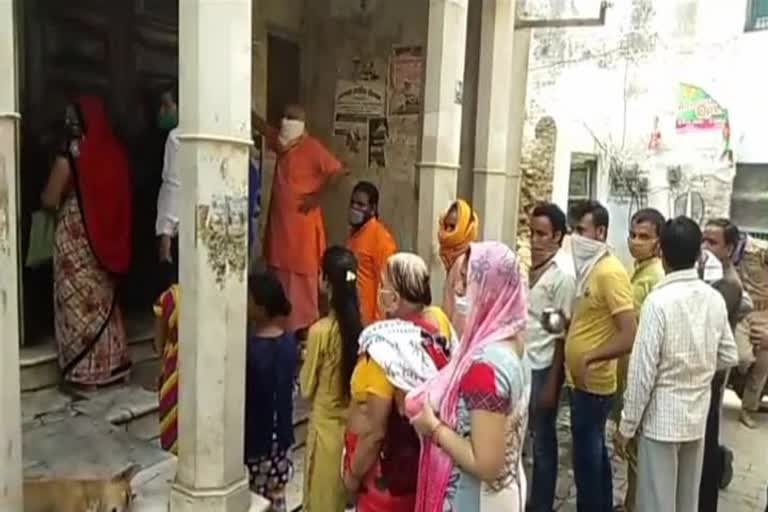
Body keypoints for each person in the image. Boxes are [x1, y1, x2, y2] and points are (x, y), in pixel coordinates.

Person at [615, 216, 738, 512]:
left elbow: (643, 373)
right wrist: (699, 368)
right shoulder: (713, 299)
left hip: (661, 420)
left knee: (656, 503)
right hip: (695, 417)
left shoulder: (659, 302)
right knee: (686, 503)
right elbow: (728, 354)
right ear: (698, 254)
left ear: (661, 252)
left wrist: (626, 427)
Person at [408, 241, 530, 512]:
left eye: (468, 280)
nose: (460, 290)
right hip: (503, 494)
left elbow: (486, 463)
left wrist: (434, 428)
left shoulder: (485, 367)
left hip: (475, 500)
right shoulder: (513, 343)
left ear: (491, 288)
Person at [343, 253, 453, 512]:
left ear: (393, 299)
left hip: (385, 478)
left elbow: (374, 432)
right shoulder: (439, 324)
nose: (379, 290)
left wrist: (353, 477)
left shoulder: (385, 350)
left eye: (383, 284)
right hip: (425, 467)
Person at [41, 96, 133, 387]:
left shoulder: (70, 155)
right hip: (104, 243)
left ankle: (85, 372)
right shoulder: (114, 153)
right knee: (102, 302)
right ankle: (112, 365)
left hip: (75, 241)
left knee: (77, 304)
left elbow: (51, 198)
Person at [565, 201, 636, 512]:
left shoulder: (610, 272)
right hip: (580, 380)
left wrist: (589, 357)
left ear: (601, 232)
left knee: (586, 459)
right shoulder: (589, 269)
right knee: (593, 454)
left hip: (594, 383)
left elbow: (628, 333)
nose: (575, 237)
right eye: (573, 230)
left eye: (582, 230)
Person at [253, 104, 346, 333]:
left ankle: (304, 331)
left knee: (303, 284)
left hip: (302, 234)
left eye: (291, 118)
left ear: (301, 124)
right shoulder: (282, 144)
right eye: (283, 116)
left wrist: (317, 196)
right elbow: (263, 127)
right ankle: (280, 326)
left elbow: (338, 171)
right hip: (279, 231)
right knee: (279, 278)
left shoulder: (312, 147)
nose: (285, 121)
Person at [300, 246, 363, 512]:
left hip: (324, 431)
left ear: (326, 281)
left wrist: (305, 356)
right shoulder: (361, 330)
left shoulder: (320, 332)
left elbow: (305, 388)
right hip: (349, 433)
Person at [614, 208, 666, 512]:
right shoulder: (638, 270)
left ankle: (634, 506)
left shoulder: (655, 278)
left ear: (659, 242)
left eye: (644, 236)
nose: (635, 241)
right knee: (631, 450)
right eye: (633, 235)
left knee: (635, 450)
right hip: (626, 367)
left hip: (640, 370)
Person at [525, 203, 576, 512]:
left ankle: (541, 505)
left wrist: (552, 385)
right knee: (526, 440)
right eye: (531, 233)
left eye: (542, 234)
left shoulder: (563, 277)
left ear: (557, 236)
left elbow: (562, 336)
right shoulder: (531, 267)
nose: (535, 240)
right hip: (524, 362)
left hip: (544, 367)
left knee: (543, 441)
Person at [699, 218, 745, 509]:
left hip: (712, 376)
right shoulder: (710, 278)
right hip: (705, 374)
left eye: (713, 243)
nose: (705, 248)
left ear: (729, 248)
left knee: (705, 444)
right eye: (702, 240)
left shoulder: (728, 285)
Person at [244, 270, 298, 512]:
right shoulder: (289, 343)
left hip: (256, 443)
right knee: (277, 499)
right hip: (282, 440)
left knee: (254, 500)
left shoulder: (250, 350)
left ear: (261, 307)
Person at [346, 181, 397, 325]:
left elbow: (386, 285)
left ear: (373, 208)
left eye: (361, 205)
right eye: (353, 203)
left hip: (369, 321)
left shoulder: (381, 238)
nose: (355, 207)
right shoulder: (355, 234)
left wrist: (378, 324)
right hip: (351, 315)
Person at [734, 235, 768, 429]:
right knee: (742, 358)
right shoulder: (749, 250)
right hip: (744, 313)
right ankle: (740, 383)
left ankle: (748, 409)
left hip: (765, 317)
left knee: (762, 366)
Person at [439, 199, 479, 336]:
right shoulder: (452, 260)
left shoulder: (465, 263)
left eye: (454, 227)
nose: (448, 233)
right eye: (447, 226)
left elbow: (462, 318)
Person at [153, 260, 179, 454]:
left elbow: (159, 340)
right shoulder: (206, 293)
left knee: (172, 414)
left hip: (174, 365)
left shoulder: (168, 298)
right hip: (202, 362)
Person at [156, 82, 180, 269]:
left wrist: (165, 235)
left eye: (167, 106)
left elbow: (173, 185)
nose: (162, 112)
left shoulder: (176, 137)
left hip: (174, 234)